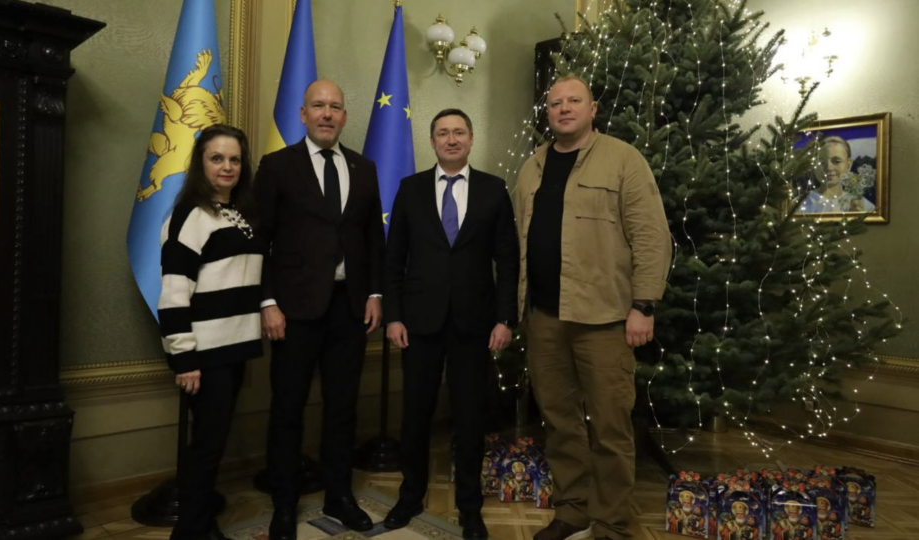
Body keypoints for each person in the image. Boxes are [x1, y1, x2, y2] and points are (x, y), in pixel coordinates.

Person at [514, 74, 671, 540]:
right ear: (547, 112)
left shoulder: (623, 159)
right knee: (559, 423)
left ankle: (611, 523)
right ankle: (573, 509)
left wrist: (644, 304)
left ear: (592, 109)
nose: (564, 109)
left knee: (609, 427)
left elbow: (651, 236)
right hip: (544, 318)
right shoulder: (532, 167)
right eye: (555, 103)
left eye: (574, 101)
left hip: (604, 320)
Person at [254, 79, 385, 540]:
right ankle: (284, 504)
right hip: (293, 311)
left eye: (335, 107)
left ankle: (339, 496)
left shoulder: (364, 167)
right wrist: (267, 301)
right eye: (318, 106)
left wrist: (375, 294)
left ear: (344, 116)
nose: (327, 114)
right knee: (288, 409)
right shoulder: (277, 166)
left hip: (350, 309)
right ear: (303, 114)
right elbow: (259, 240)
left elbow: (373, 238)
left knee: (343, 408)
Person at [381, 109, 518, 540]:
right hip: (418, 323)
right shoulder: (410, 189)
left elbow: (507, 260)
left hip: (474, 324)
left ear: (471, 139)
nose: (451, 139)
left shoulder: (494, 190)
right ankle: (410, 495)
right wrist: (394, 315)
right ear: (433, 141)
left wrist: (505, 318)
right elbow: (393, 259)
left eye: (459, 132)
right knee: (415, 415)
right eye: (443, 133)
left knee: (470, 418)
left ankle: (470, 507)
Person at [159, 124, 263, 540]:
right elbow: (173, 291)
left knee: (213, 443)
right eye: (216, 158)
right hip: (204, 353)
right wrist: (184, 357)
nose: (227, 167)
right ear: (200, 163)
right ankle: (191, 530)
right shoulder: (190, 215)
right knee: (206, 447)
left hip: (233, 348)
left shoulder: (239, 211)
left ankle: (200, 523)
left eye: (234, 159)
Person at [800, 135, 876, 213]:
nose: (829, 167)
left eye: (836, 161)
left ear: (848, 165)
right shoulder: (799, 204)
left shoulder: (864, 206)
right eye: (821, 162)